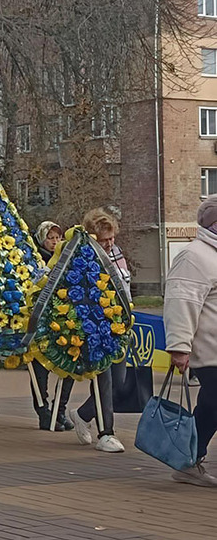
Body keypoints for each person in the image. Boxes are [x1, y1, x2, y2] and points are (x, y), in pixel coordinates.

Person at [163, 195, 217, 487]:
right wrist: (179, 347)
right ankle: (187, 460)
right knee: (212, 404)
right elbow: (180, 303)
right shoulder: (195, 256)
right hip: (210, 352)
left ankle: (187, 460)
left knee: (210, 407)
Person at [66, 207, 129, 453]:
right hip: (96, 326)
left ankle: (82, 414)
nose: (110, 244)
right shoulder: (83, 258)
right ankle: (106, 432)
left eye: (112, 238)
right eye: (104, 240)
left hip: (119, 324)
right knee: (105, 379)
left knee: (119, 382)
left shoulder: (117, 253)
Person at [28, 221, 75, 430]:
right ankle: (43, 410)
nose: (55, 242)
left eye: (58, 238)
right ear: (42, 239)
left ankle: (60, 409)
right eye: (50, 238)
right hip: (42, 321)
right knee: (40, 368)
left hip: (64, 319)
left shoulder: (67, 260)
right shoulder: (35, 260)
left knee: (69, 365)